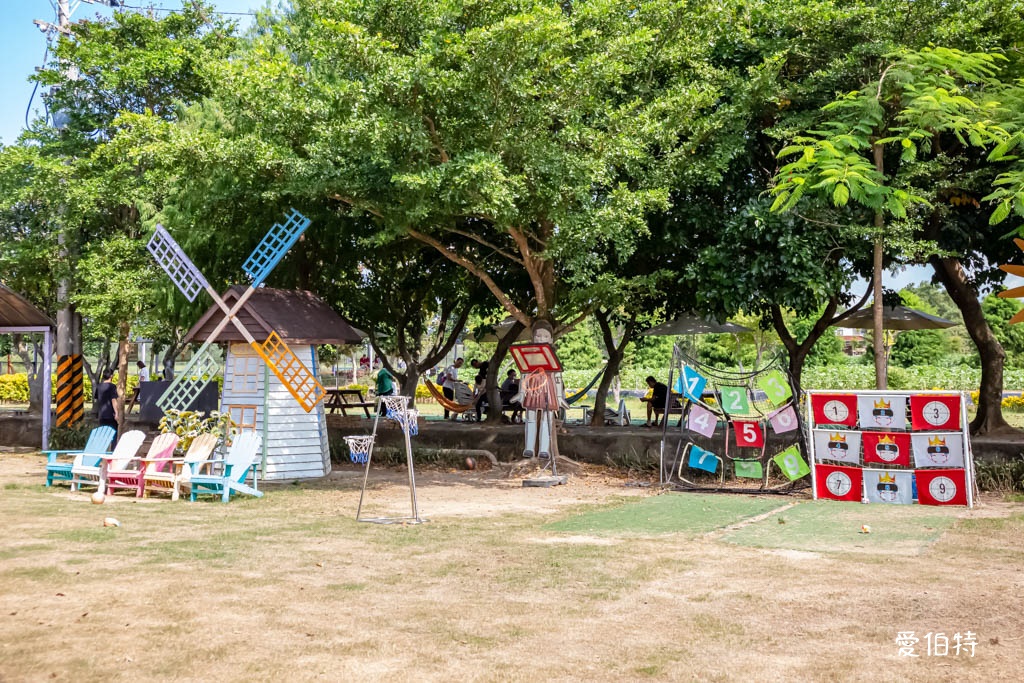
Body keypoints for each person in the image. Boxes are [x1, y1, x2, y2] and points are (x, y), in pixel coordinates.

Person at [511, 322, 569, 459]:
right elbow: (524, 373)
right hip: (532, 386)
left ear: (551, 339)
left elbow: (557, 376)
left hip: (548, 387)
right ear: (533, 338)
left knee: (547, 418)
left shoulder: (552, 356)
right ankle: (529, 448)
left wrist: (559, 396)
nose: (541, 339)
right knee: (530, 416)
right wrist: (521, 392)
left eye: (545, 336)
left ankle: (544, 449)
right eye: (538, 336)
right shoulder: (528, 355)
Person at [95, 369, 120, 440]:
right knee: (113, 435)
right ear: (111, 376)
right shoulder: (112, 387)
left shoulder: (99, 386)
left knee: (103, 435)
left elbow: (97, 399)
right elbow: (113, 400)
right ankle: (113, 447)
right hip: (110, 415)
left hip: (101, 414)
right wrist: (116, 413)